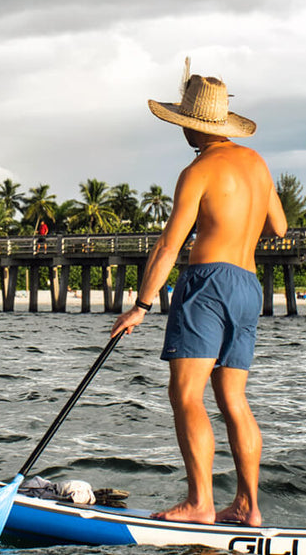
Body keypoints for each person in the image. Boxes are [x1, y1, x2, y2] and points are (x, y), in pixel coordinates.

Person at [110, 69, 287, 527]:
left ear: (196, 125)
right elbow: (279, 227)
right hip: (248, 286)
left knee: (186, 393)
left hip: (208, 282)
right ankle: (248, 506)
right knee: (233, 399)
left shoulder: (197, 171)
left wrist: (141, 306)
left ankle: (200, 503)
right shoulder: (257, 163)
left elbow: (169, 245)